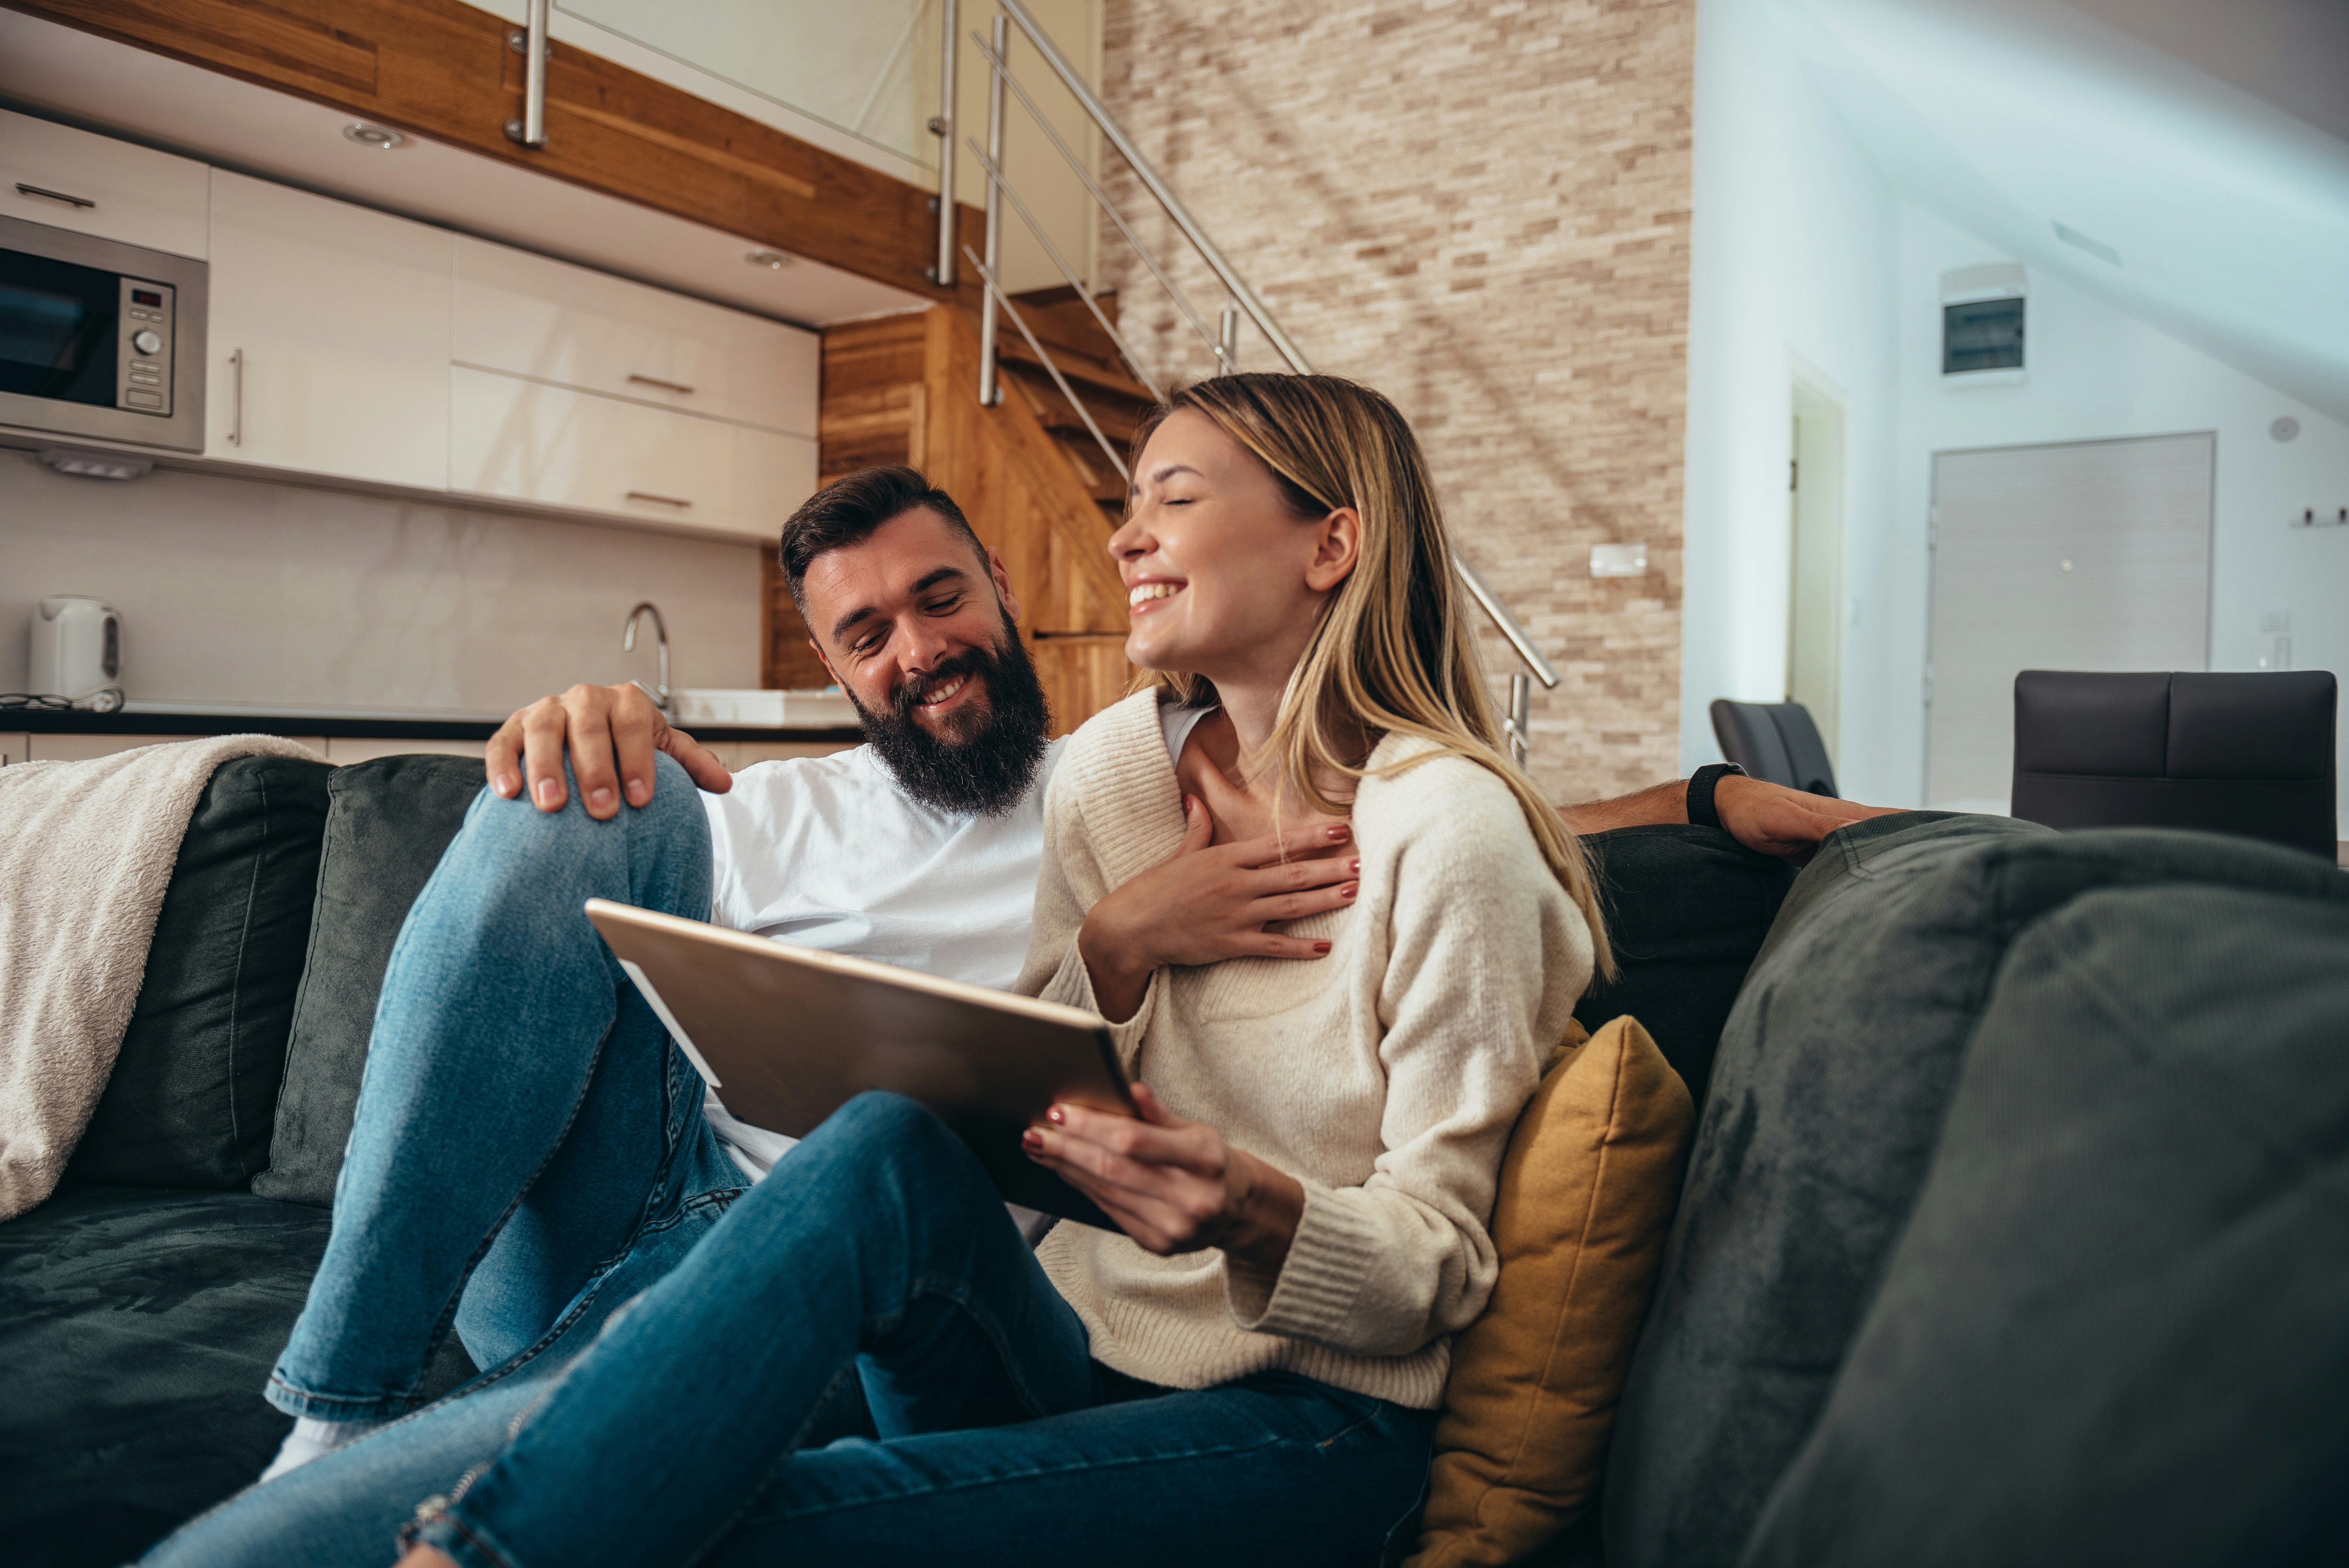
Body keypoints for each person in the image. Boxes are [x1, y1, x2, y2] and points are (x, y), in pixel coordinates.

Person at [143, 431, 1882, 1566]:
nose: (913, 650)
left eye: (939, 597)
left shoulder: (1303, 802)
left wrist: (1718, 797)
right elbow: (1078, 1006)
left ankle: (465, 1519)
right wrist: (1120, 938)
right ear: (833, 670)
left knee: (670, 1450)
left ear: (995, 590)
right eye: (863, 639)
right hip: (748, 1205)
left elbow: (1470, 840)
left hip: (1119, 1336)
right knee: (588, 821)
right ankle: (340, 1405)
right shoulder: (1088, 788)